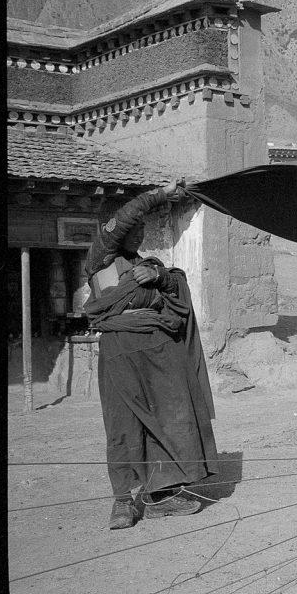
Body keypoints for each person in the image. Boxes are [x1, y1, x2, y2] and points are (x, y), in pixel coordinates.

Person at [84, 180, 218, 530]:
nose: (139, 231)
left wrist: (160, 276)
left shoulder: (147, 265)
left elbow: (176, 298)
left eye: (144, 228)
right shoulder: (101, 256)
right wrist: (159, 196)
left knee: (169, 419)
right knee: (123, 424)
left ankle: (161, 496)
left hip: (159, 353)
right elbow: (127, 215)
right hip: (121, 352)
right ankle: (123, 502)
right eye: (135, 227)